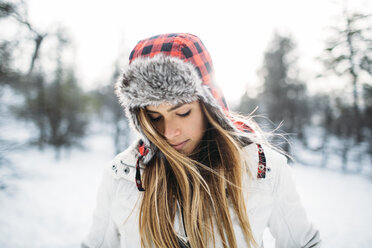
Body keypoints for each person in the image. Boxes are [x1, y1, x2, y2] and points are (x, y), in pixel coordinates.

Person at [82, 33, 321, 248]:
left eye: (183, 113)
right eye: (154, 117)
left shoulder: (263, 169)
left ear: (209, 106)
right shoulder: (122, 174)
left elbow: (303, 243)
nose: (168, 132)